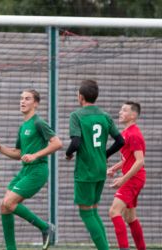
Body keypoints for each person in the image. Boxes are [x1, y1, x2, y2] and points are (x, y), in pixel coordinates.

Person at [0, 89, 63, 250]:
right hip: (25, 170)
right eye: (21, 98)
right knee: (4, 206)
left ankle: (45, 227)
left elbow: (57, 143)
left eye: (27, 99)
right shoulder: (23, 127)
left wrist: (35, 155)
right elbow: (18, 154)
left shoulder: (38, 123)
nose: (22, 101)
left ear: (35, 103)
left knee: (9, 202)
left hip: (38, 170)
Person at [65, 79, 125, 250]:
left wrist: (68, 154)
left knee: (85, 212)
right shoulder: (105, 116)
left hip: (86, 170)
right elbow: (120, 141)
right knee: (94, 211)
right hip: (100, 169)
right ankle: (105, 246)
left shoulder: (76, 116)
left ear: (81, 97)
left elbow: (75, 143)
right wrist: (104, 154)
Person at [107, 101, 146, 250]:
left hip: (134, 179)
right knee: (130, 217)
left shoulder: (134, 134)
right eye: (120, 109)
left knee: (114, 211)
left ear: (133, 115)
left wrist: (123, 179)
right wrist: (114, 168)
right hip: (133, 178)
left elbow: (140, 161)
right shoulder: (125, 133)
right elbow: (127, 158)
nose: (120, 112)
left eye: (124, 110)